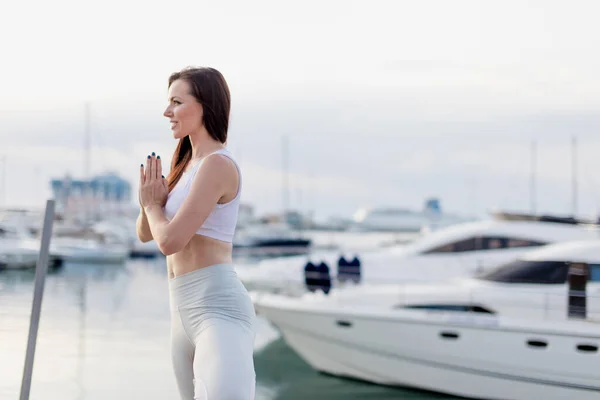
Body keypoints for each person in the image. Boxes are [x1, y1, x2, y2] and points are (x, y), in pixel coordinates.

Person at [136, 66, 256, 400]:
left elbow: (170, 241)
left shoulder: (217, 164)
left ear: (205, 106)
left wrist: (152, 206)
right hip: (181, 313)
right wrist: (150, 200)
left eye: (176, 101)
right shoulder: (184, 166)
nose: (167, 112)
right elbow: (146, 233)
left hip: (218, 313)